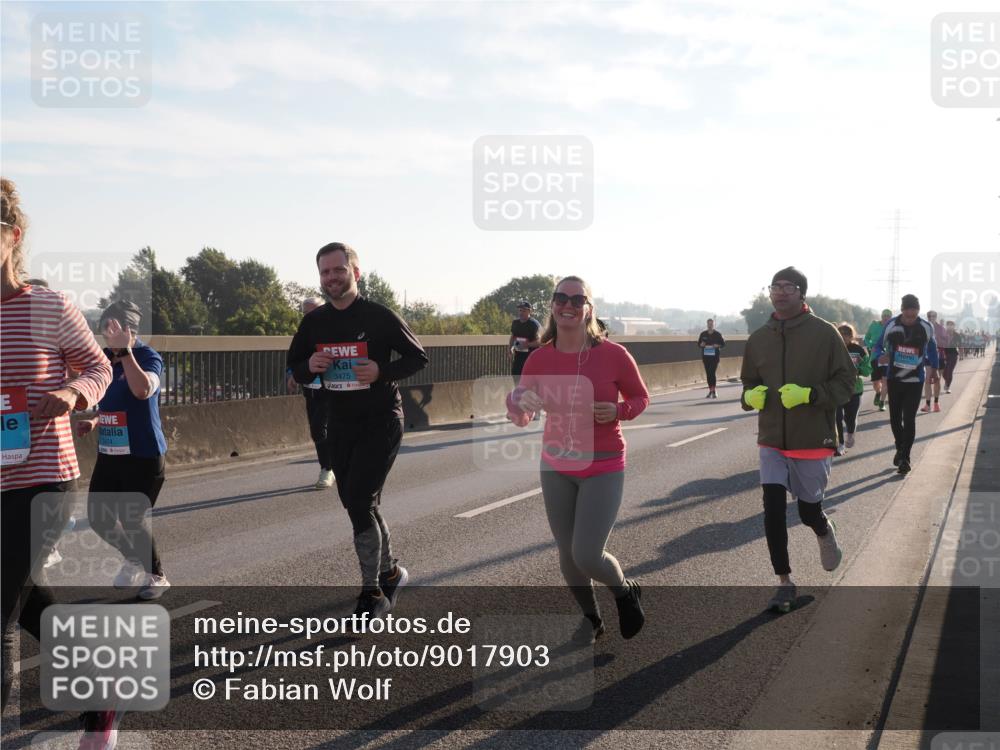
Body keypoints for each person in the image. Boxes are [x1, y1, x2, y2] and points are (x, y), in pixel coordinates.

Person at [0, 178, 116, 742]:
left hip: (43, 475)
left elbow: (99, 368)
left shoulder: (49, 307)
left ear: (13, 235)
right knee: (24, 601)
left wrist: (71, 393)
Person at [287, 243, 428, 621]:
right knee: (356, 502)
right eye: (325, 272)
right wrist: (310, 365)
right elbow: (294, 368)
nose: (331, 278)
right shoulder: (314, 322)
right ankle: (391, 573)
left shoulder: (379, 316)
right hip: (340, 422)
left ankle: (373, 594)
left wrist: (382, 372)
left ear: (355, 272)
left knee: (361, 500)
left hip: (381, 420)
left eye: (339, 270)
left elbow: (418, 357)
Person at [507, 276, 649, 642]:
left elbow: (640, 398)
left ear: (588, 308)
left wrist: (618, 411)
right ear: (552, 306)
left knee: (586, 554)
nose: (568, 305)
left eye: (576, 299)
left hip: (603, 464)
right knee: (568, 555)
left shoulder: (613, 355)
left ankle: (624, 591)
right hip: (556, 465)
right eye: (561, 298)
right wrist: (519, 403)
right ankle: (591, 619)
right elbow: (520, 411)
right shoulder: (540, 358)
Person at [740, 267, 855, 612]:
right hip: (772, 438)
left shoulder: (824, 333)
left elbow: (847, 383)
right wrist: (750, 397)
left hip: (812, 437)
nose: (779, 292)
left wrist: (809, 395)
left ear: (802, 293)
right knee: (772, 509)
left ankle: (823, 528)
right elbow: (748, 383)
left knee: (807, 512)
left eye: (788, 287)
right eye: (775, 286)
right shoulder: (759, 338)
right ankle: (784, 583)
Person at [75, 300, 170, 601]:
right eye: (105, 328)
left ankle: (157, 575)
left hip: (144, 454)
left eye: (114, 328)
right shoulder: (104, 358)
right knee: (98, 518)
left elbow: (142, 390)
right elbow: (110, 401)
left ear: (130, 330)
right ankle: (133, 558)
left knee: (131, 519)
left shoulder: (147, 356)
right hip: (111, 453)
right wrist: (95, 419)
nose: (108, 334)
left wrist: (126, 352)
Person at [871, 294, 940, 476]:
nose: (910, 318)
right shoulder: (891, 325)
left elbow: (932, 348)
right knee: (895, 418)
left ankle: (905, 458)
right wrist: (879, 357)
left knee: (909, 419)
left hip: (915, 380)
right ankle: (900, 447)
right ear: (902, 311)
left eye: (914, 314)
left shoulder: (926, 327)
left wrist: (934, 368)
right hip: (894, 379)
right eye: (907, 315)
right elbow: (877, 346)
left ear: (918, 311)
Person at [287, 296, 335, 489]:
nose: (309, 316)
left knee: (321, 428)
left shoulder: (334, 331)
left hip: (331, 390)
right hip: (311, 390)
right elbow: (294, 358)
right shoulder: (302, 334)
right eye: (305, 313)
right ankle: (330, 466)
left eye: (313, 312)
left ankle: (328, 469)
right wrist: (292, 375)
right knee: (318, 431)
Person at [835, 324, 871, 455]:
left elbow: (867, 370)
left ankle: (850, 431)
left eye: (847, 334)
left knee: (849, 419)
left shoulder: (859, 350)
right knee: (837, 417)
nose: (843, 337)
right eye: (841, 334)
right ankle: (840, 444)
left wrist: (858, 369)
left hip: (854, 390)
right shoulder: (832, 348)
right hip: (837, 389)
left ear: (852, 336)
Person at [864, 309, 892, 411]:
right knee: (876, 382)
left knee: (885, 381)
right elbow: (866, 338)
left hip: (887, 357)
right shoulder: (874, 325)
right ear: (881, 316)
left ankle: (882, 402)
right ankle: (878, 392)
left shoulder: (892, 327)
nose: (886, 317)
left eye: (888, 316)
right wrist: (870, 345)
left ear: (891, 317)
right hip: (875, 357)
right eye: (884, 315)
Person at [508, 300, 542, 384]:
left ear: (529, 311)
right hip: (518, 357)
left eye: (524, 310)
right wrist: (509, 349)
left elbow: (540, 341)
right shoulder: (515, 323)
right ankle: (518, 391)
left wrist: (527, 344)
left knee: (530, 382)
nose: (521, 313)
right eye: (520, 310)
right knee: (516, 376)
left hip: (531, 358)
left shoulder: (534, 324)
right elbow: (513, 336)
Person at [921, 311, 946, 413]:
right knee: (927, 379)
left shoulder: (941, 328)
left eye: (933, 316)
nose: (931, 317)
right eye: (929, 316)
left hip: (939, 356)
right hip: (928, 355)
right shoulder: (925, 326)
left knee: (937, 380)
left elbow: (946, 341)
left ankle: (936, 403)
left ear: (936, 317)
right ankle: (927, 405)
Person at [697, 318, 725, 399]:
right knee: (708, 374)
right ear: (707, 325)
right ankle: (711, 390)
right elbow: (698, 344)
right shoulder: (703, 334)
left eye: (711, 324)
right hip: (706, 357)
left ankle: (714, 391)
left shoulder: (718, 334)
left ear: (713, 325)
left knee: (712, 373)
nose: (710, 325)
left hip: (714, 357)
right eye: (709, 324)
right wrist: (701, 345)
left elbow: (723, 344)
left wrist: (717, 345)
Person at [941, 320, 959, 394]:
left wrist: (962, 354)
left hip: (953, 355)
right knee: (944, 373)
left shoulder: (957, 335)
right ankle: (947, 381)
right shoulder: (944, 334)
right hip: (944, 355)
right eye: (948, 325)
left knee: (949, 371)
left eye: (951, 325)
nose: (950, 326)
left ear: (954, 326)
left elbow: (960, 345)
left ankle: (948, 387)